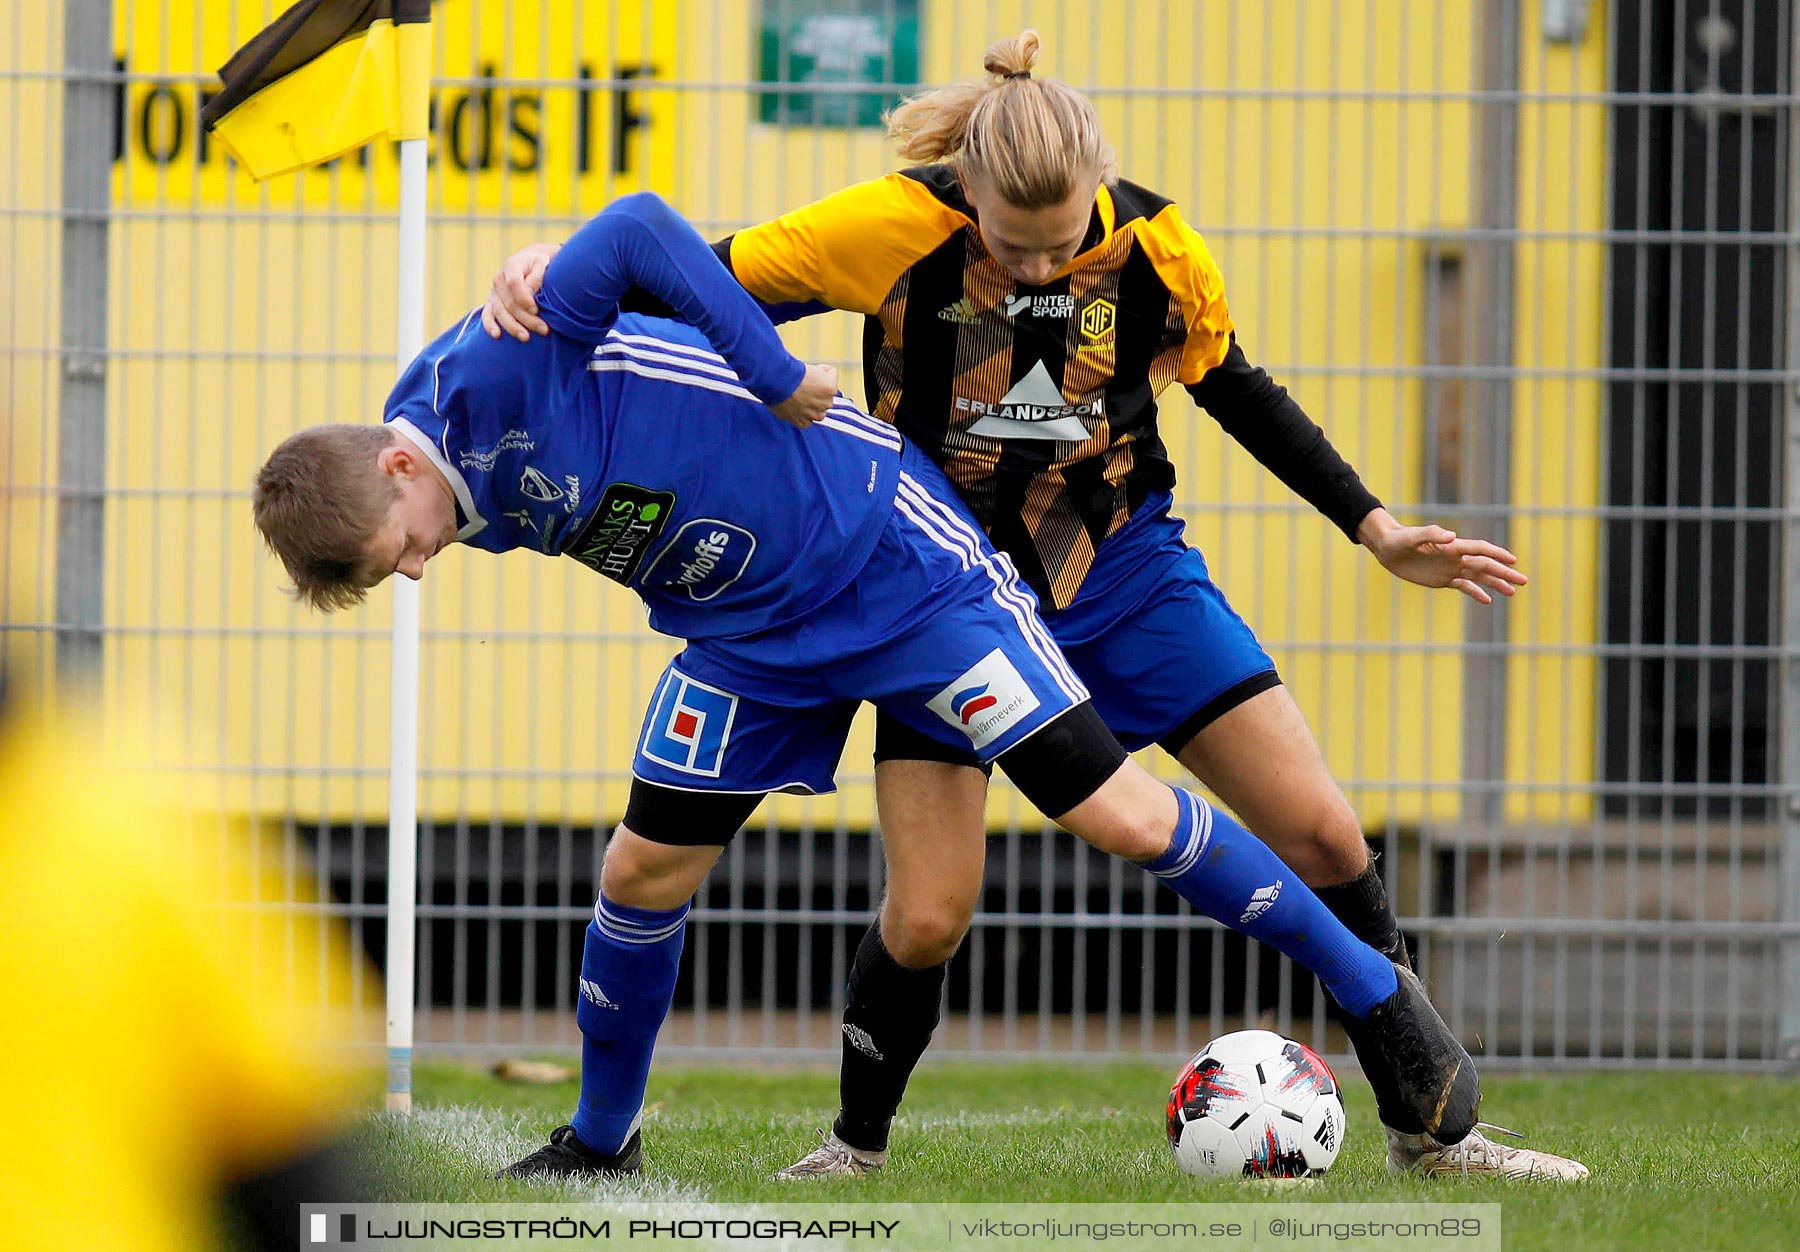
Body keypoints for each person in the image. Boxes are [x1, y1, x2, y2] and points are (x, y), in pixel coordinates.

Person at [481, 33, 1586, 1182]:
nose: (1043, 269)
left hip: (1121, 573)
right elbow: (687, 277)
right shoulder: (885, 226)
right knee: (928, 914)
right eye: (1015, 246)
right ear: (968, 191)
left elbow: (1238, 390)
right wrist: (548, 268)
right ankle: (856, 1149)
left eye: (1065, 244)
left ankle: (1430, 1135)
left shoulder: (1160, 249)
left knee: (1326, 836)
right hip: (935, 592)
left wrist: (1374, 527)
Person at [255, 190, 1481, 1181]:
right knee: (641, 870)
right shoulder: (423, 469)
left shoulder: (501, 360)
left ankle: (1375, 994)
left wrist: (769, 371)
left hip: (902, 568)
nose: (415, 567)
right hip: (749, 633)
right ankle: (600, 1142)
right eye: (389, 571)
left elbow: (636, 230)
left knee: (1117, 813)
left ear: (398, 462)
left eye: (400, 547)